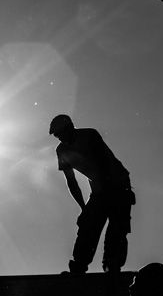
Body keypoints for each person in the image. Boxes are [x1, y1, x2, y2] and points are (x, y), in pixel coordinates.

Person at [49, 114, 136, 274]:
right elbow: (72, 182)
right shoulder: (61, 150)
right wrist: (84, 208)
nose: (60, 138)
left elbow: (104, 166)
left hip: (118, 183)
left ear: (70, 127)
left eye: (61, 133)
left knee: (117, 227)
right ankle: (79, 265)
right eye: (57, 135)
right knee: (87, 226)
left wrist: (107, 200)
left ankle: (112, 264)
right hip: (99, 189)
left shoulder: (89, 135)